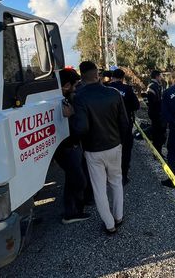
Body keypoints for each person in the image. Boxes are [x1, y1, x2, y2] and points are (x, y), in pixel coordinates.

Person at [70, 61, 131, 235]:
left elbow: (81, 128)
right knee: (116, 181)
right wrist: (119, 141)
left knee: (99, 188)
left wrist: (72, 121)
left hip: (93, 150)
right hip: (114, 146)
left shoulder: (79, 97)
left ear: (82, 75)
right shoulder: (113, 93)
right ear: (97, 74)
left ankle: (109, 224)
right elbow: (124, 123)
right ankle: (119, 216)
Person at [56, 68, 91, 223]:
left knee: (72, 178)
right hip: (68, 147)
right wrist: (72, 117)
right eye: (74, 85)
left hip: (70, 146)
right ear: (66, 86)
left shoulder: (65, 99)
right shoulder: (62, 102)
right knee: (78, 180)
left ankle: (72, 209)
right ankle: (71, 213)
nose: (76, 89)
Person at [107, 68, 140, 185]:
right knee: (125, 151)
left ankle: (110, 175)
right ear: (122, 78)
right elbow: (136, 106)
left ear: (112, 77)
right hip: (125, 125)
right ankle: (123, 176)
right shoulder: (127, 89)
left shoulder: (105, 88)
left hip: (108, 125)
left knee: (110, 150)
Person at [146, 70, 166, 154]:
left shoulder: (157, 86)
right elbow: (153, 102)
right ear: (157, 76)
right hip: (156, 114)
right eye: (160, 76)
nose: (161, 78)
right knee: (157, 134)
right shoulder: (152, 86)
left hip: (158, 113)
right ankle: (157, 152)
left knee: (160, 133)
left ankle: (158, 151)